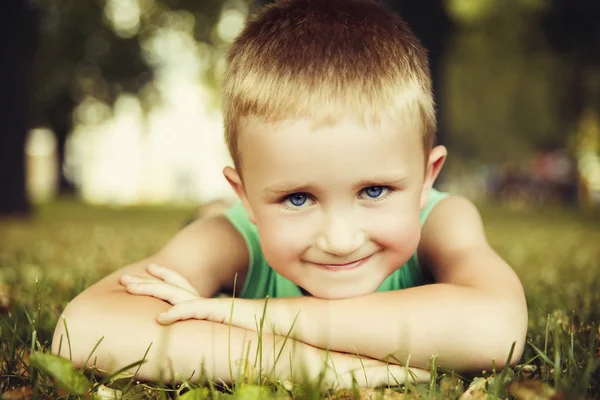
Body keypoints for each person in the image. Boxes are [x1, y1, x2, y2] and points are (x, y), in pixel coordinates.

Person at [52, 0, 528, 389]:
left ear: (428, 179)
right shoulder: (231, 236)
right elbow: (85, 328)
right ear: (248, 199)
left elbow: (498, 326)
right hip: (227, 220)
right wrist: (323, 368)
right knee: (207, 221)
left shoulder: (445, 220)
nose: (340, 240)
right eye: (298, 198)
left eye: (375, 190)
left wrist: (251, 318)